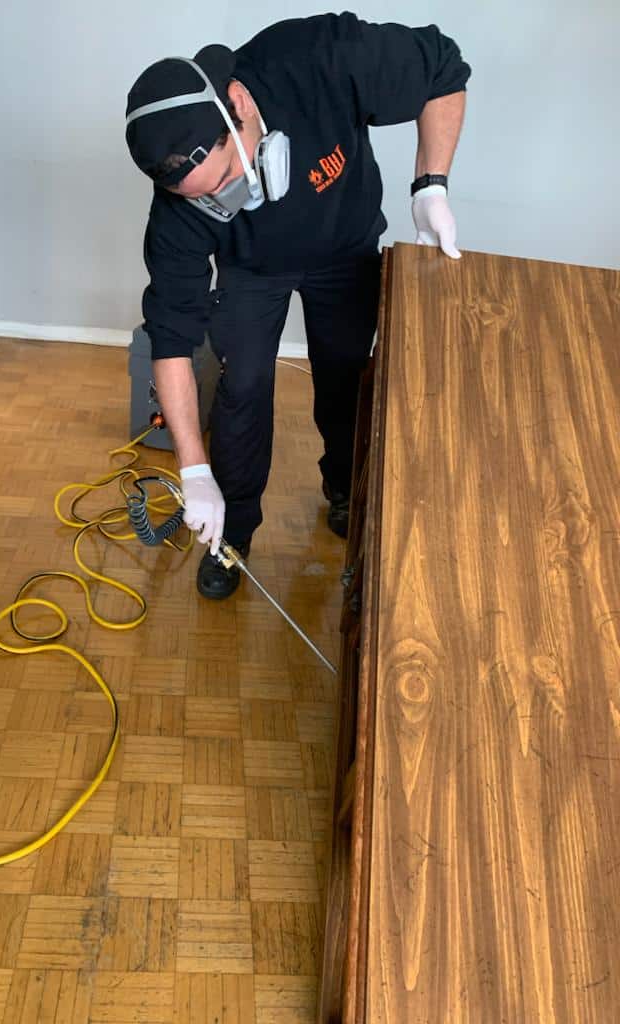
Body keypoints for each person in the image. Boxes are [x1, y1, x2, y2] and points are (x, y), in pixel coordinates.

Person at [125, 12, 470, 599]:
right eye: (205, 198)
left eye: (226, 177)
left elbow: (443, 66)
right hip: (250, 272)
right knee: (241, 390)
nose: (225, 200)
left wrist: (429, 185)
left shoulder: (317, 58)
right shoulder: (176, 215)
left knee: (345, 378)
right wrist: (194, 469)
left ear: (238, 104)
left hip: (345, 250)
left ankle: (345, 488)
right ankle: (233, 533)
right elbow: (172, 339)